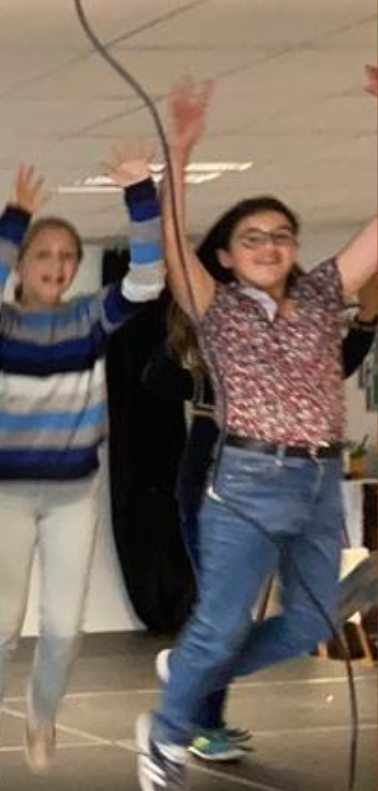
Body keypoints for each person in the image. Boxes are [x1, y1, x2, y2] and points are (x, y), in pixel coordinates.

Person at [138, 70, 378, 791]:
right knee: (222, 625)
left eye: (280, 235)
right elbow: (173, 245)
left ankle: (193, 669)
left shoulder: (321, 296)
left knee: (312, 621)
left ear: (295, 247)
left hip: (318, 482)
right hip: (247, 481)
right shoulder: (217, 311)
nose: (269, 246)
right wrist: (180, 152)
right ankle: (165, 737)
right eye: (252, 238)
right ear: (228, 257)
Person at [0, 150, 165, 774]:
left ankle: (42, 713)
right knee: (0, 627)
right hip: (4, 491)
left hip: (73, 492)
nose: (57, 265)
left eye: (67, 256)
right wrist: (14, 218)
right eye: (43, 255)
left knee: (63, 628)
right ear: (22, 265)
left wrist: (140, 192)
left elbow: (147, 281)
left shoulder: (89, 319)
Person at [143, 289, 375, 762]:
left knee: (293, 617)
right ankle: (200, 722)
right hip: (209, 486)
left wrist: (367, 320)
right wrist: (204, 353)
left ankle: (192, 686)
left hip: (272, 488)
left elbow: (340, 362)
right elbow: (157, 375)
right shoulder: (217, 361)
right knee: (224, 615)